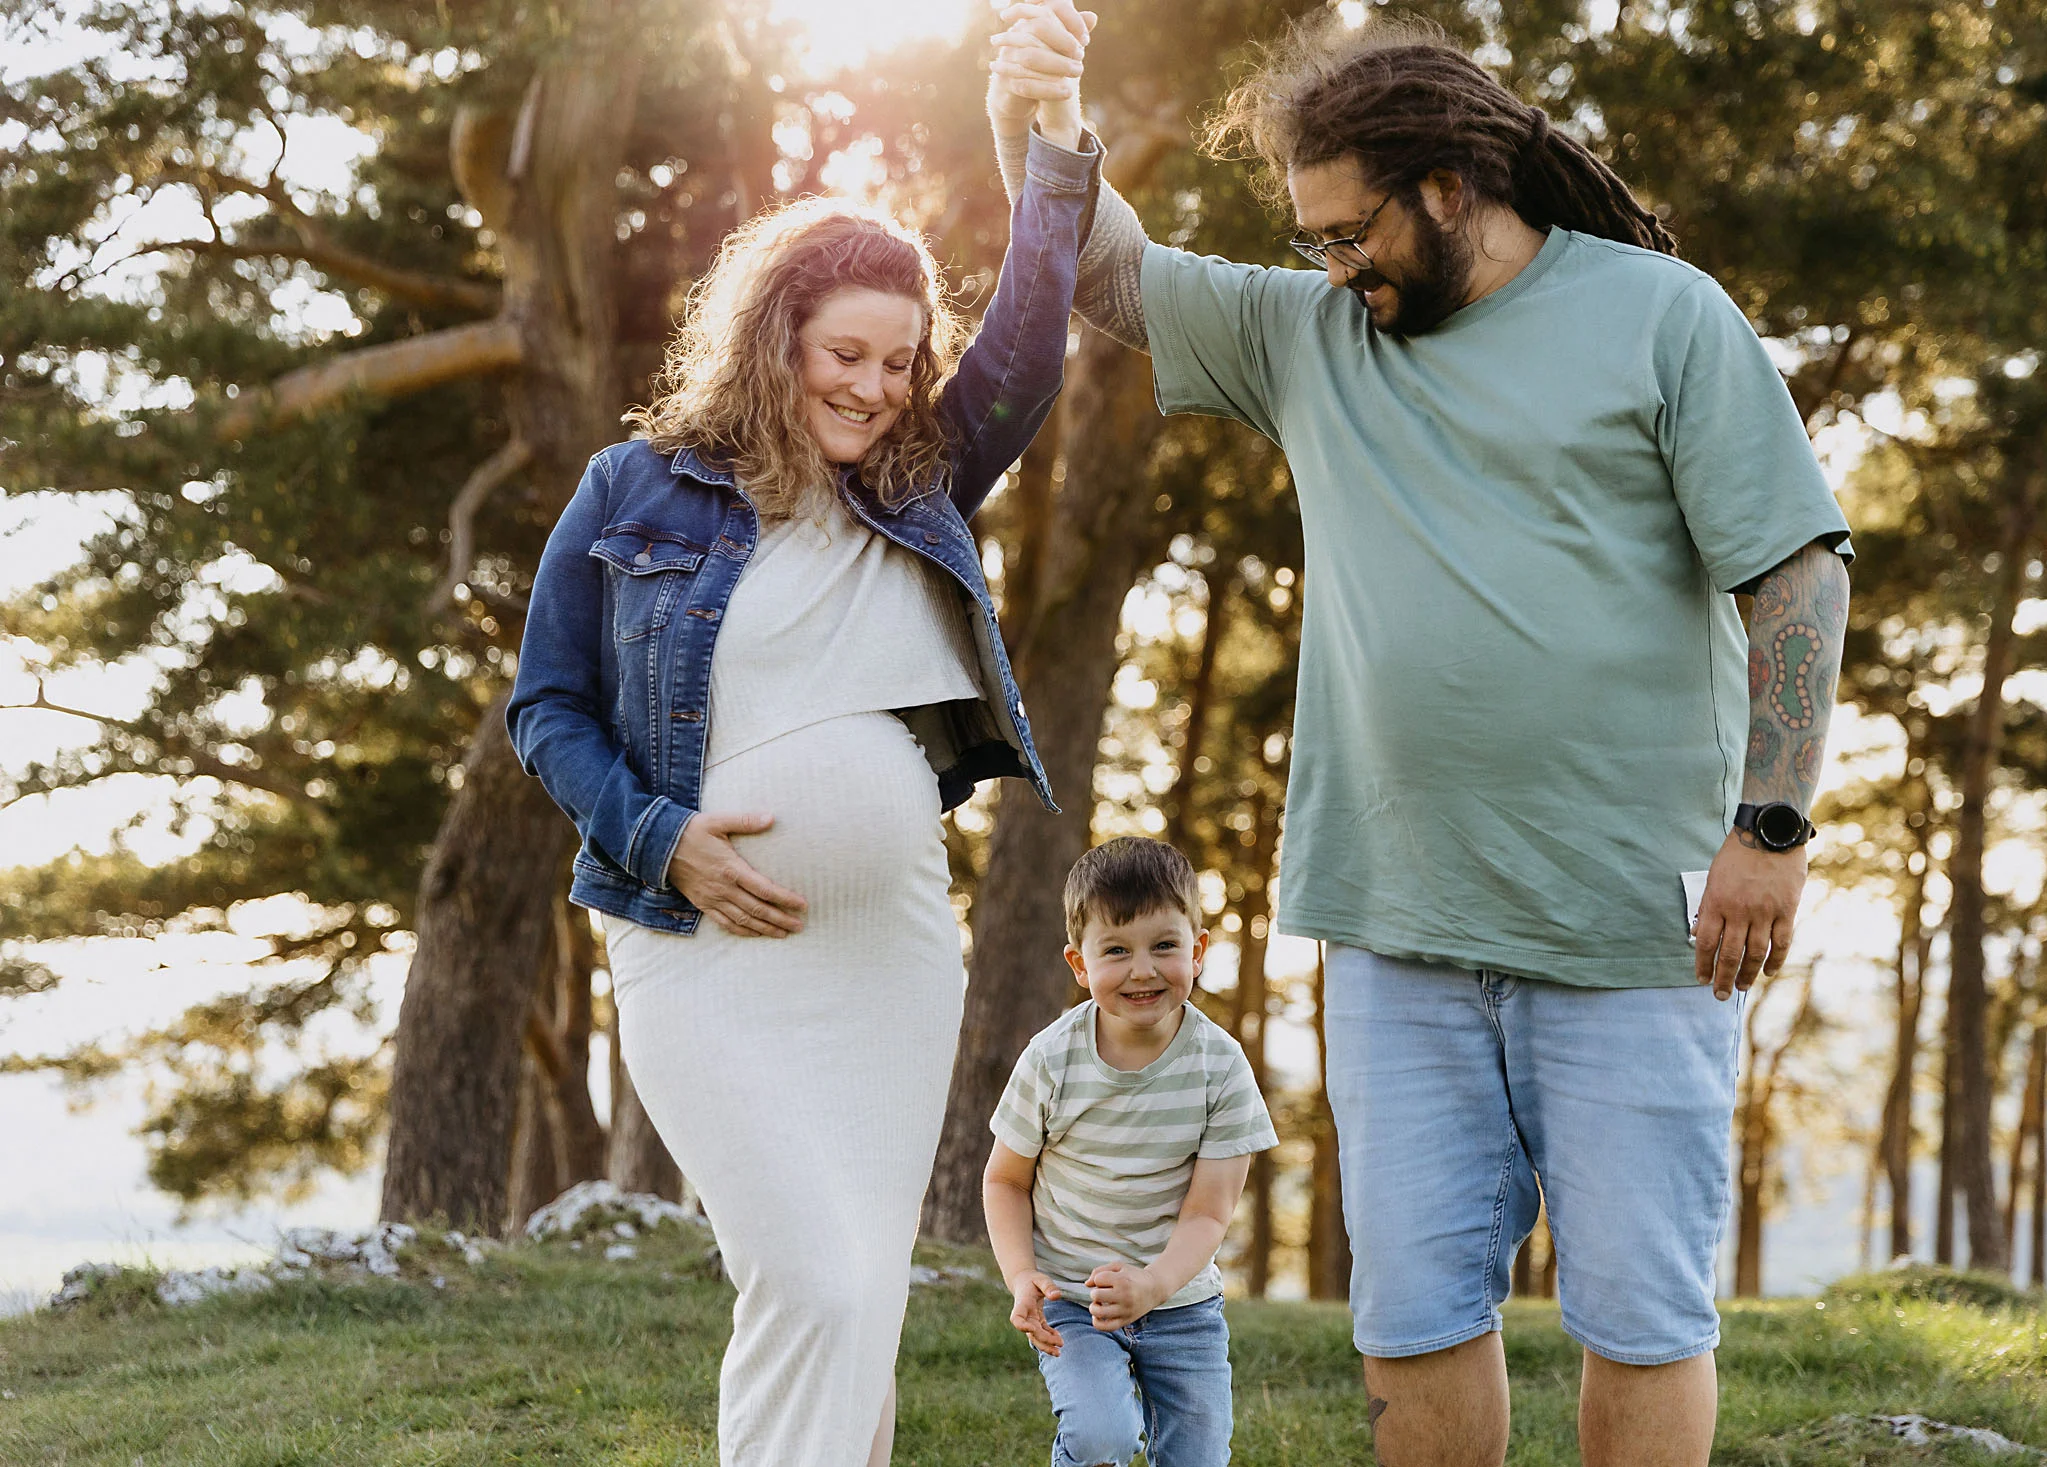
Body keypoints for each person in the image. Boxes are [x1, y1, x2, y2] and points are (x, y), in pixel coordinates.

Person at [989, 8, 1853, 1466]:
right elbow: (1104, 269)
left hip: (1639, 925)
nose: (1331, 266)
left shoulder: (1660, 314)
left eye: (1350, 233)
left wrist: (1770, 828)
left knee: (1643, 1315)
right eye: (1310, 240)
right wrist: (1035, 112)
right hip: (1397, 927)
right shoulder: (1315, 334)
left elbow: (1797, 569)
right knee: (1412, 1314)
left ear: (1450, 184)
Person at [504, 47, 1103, 1466]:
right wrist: (663, 839)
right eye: (847, 356)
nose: (878, 390)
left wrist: (1056, 129)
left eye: (901, 364)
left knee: (859, 1303)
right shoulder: (635, 486)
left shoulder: (919, 481)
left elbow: (1026, 337)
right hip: (696, 945)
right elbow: (548, 707)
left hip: (887, 959)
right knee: (808, 1278)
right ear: (775, 337)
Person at [983, 836, 1279, 1467]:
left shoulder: (1221, 1068)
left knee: (1198, 1457)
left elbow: (1208, 1213)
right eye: (1116, 950)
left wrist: (1154, 1284)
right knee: (1101, 1439)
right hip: (1072, 1300)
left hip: (1182, 1304)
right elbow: (1005, 1180)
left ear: (1197, 952)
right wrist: (1019, 1276)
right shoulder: (1052, 1059)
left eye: (1164, 946)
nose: (1142, 969)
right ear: (1079, 965)